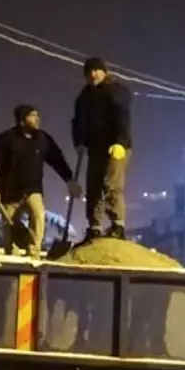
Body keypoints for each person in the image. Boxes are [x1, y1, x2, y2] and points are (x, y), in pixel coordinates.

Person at [0, 104, 80, 255]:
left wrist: (69, 180)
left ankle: (34, 252)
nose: (37, 118)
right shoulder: (6, 139)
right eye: (32, 116)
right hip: (9, 191)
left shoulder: (43, 139)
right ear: (22, 121)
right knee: (10, 224)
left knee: (38, 214)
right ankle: (12, 253)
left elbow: (57, 160)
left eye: (37, 115)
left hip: (32, 188)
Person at [72, 56, 132, 240]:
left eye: (96, 70)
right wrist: (79, 142)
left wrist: (121, 142)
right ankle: (95, 226)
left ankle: (118, 225)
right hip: (95, 148)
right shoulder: (84, 97)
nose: (93, 74)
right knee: (94, 186)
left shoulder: (116, 90)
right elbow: (77, 122)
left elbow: (122, 116)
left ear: (104, 71)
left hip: (116, 146)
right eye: (89, 72)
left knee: (111, 183)